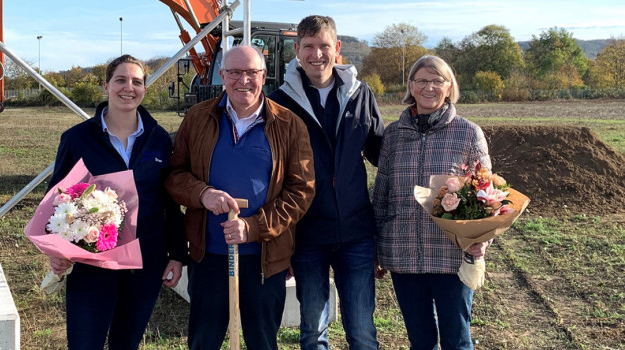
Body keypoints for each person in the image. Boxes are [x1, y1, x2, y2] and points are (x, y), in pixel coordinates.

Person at [165, 45, 315, 350]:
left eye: (251, 73)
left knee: (262, 342)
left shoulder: (288, 124)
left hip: (265, 261)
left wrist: (254, 228)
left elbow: (301, 190)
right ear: (222, 75)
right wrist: (202, 194)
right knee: (203, 341)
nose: (243, 80)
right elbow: (174, 175)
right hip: (209, 257)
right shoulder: (198, 118)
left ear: (263, 76)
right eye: (235, 72)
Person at [46, 54, 187, 349]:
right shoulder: (77, 139)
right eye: (121, 80)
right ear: (106, 86)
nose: (129, 87)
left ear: (145, 89)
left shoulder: (159, 139)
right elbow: (56, 199)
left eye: (137, 81)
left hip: (145, 262)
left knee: (127, 342)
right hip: (91, 263)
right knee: (85, 343)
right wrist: (56, 250)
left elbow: (170, 201)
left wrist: (177, 254)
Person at [268, 15, 384, 350]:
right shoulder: (279, 103)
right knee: (312, 331)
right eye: (309, 47)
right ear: (296, 50)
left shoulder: (361, 96)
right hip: (306, 234)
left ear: (337, 48)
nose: (317, 54)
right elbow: (271, 173)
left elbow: (382, 155)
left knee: (362, 331)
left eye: (324, 46)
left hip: (356, 233)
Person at [371, 55, 492, 349]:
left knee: (457, 340)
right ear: (411, 86)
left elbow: (487, 194)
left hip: (451, 256)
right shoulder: (394, 135)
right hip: (403, 255)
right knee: (420, 341)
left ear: (449, 87)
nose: (429, 87)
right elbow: (382, 193)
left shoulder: (468, 133)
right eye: (422, 80)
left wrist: (482, 240)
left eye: (437, 81)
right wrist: (375, 246)